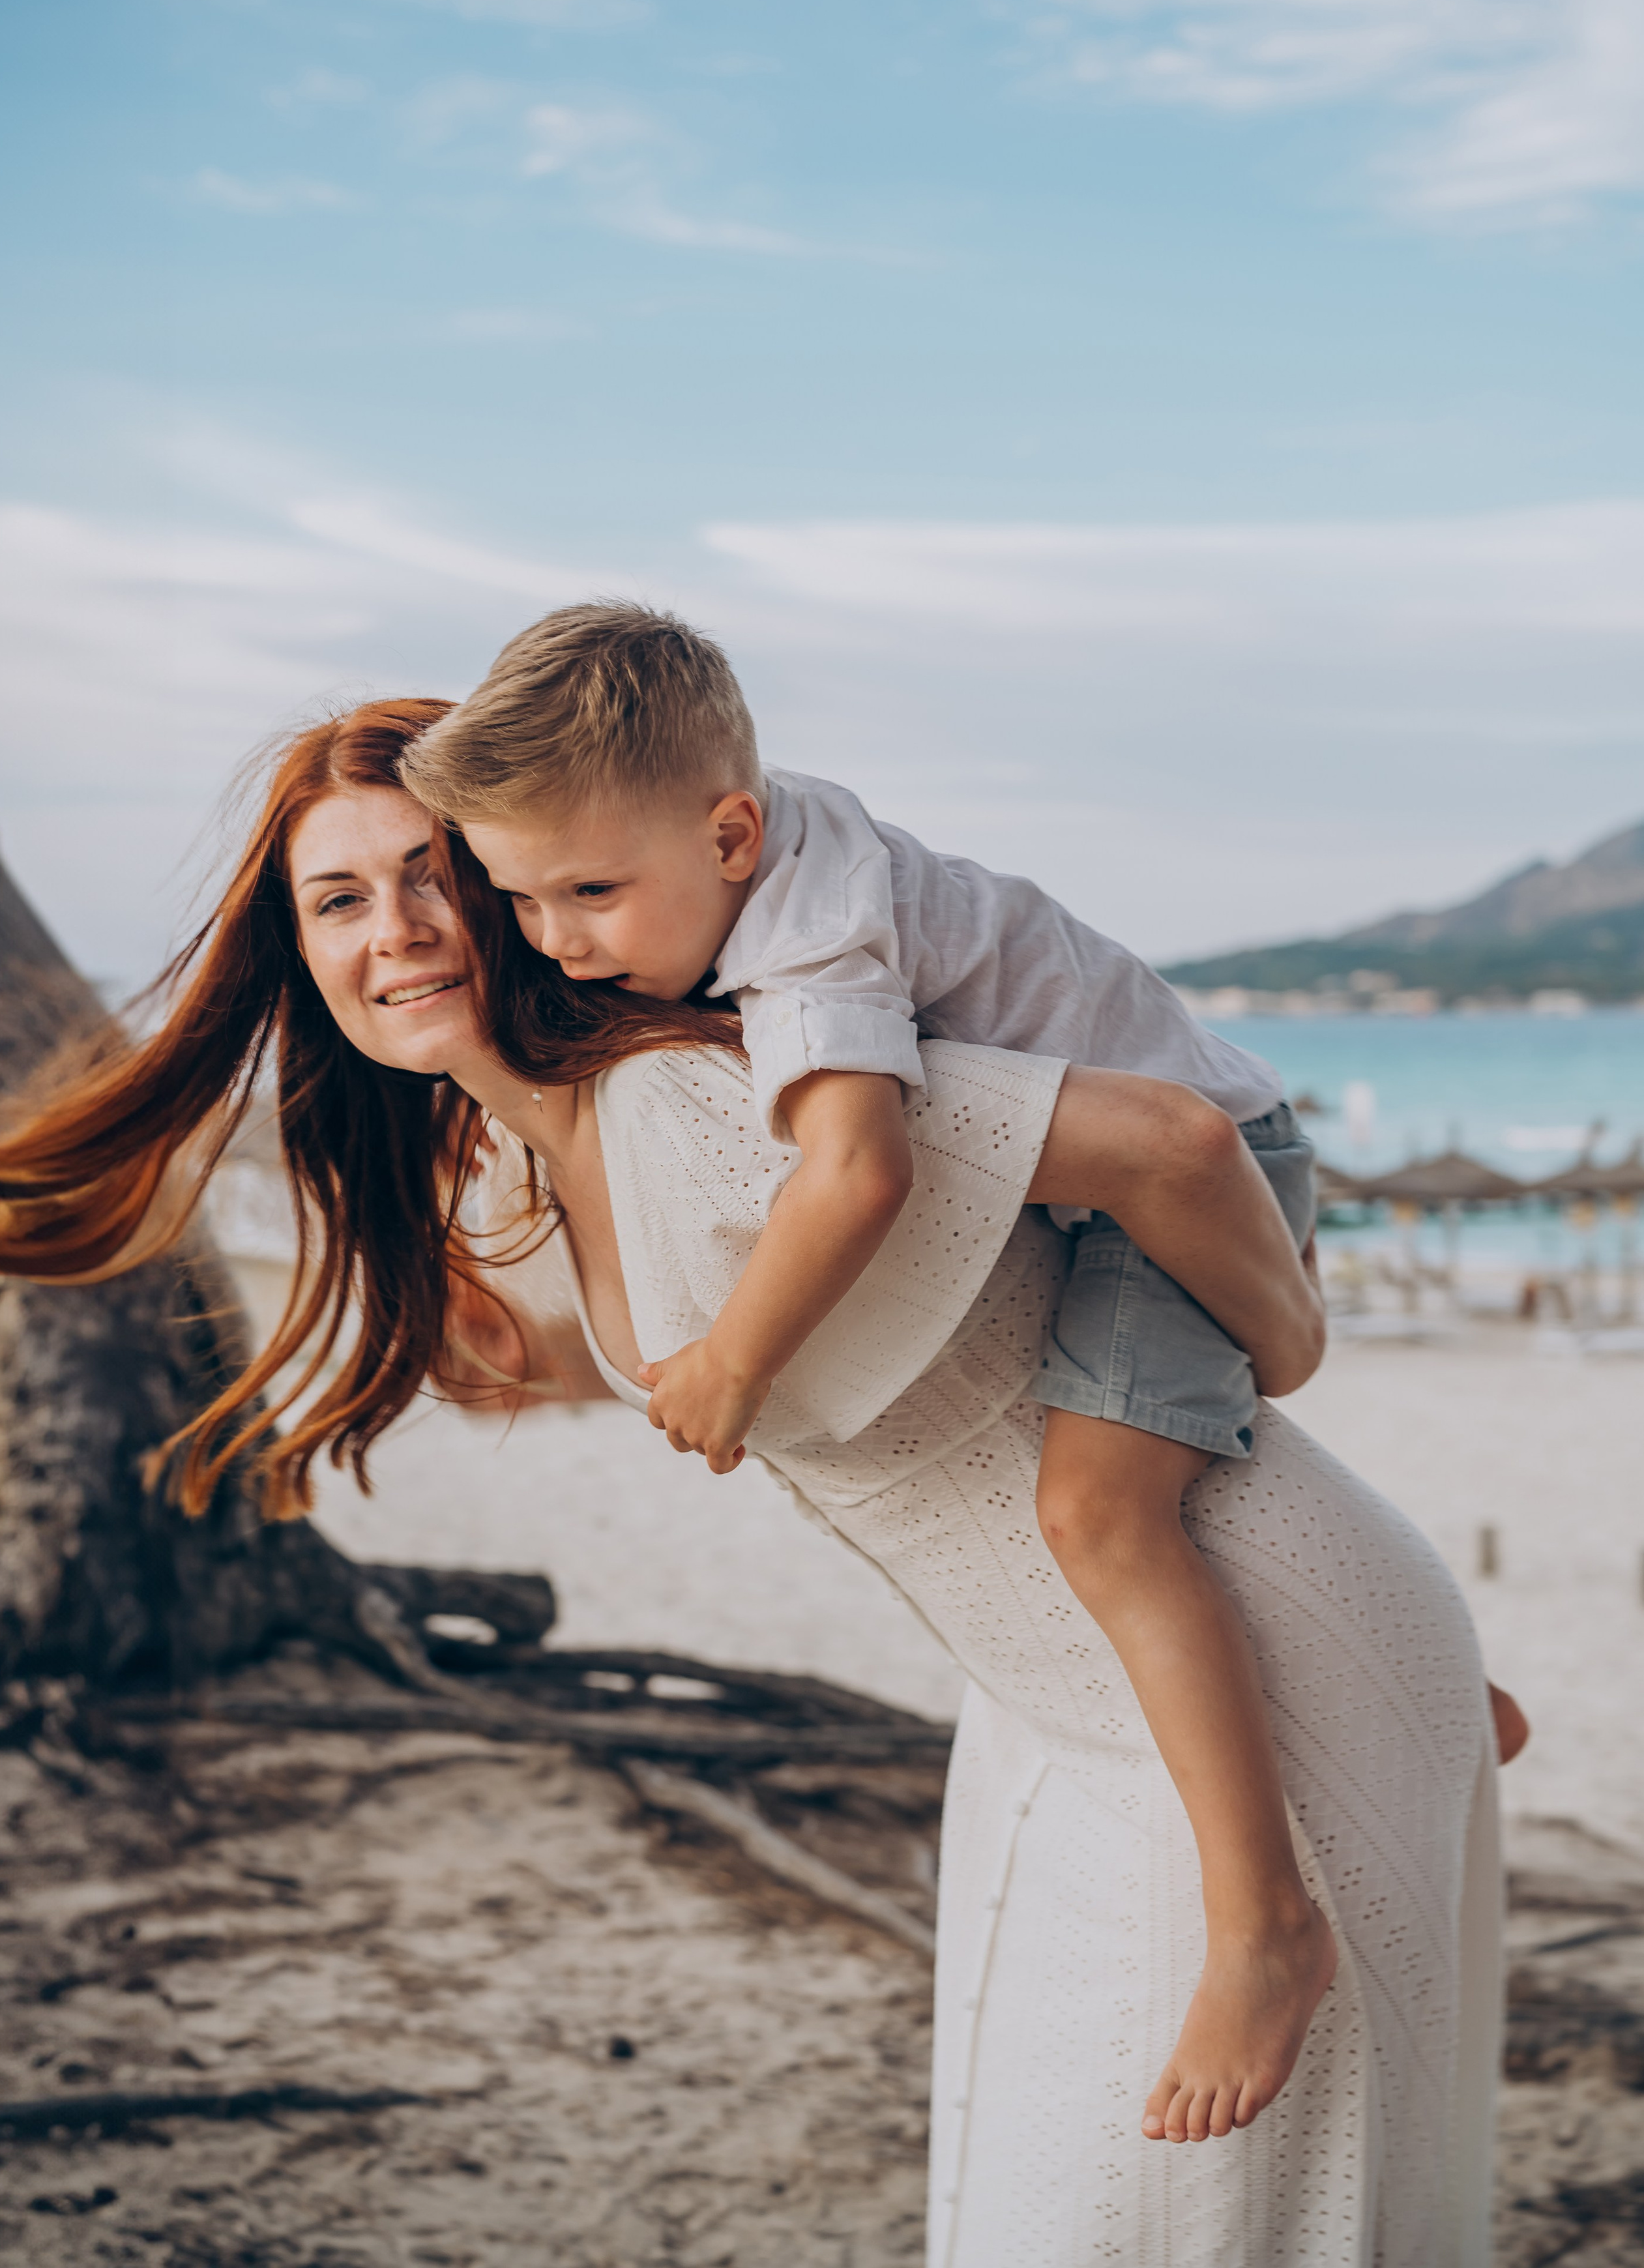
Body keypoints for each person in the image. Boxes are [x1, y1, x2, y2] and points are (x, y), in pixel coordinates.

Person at [0, 701, 1512, 2262]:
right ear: (297, 951)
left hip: (1257, 1685)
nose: (403, 930)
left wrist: (1290, 1339)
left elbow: (1173, 1147)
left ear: (522, 882)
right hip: (1062, 1708)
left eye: (432, 873)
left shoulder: (707, 1096)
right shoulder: (537, 1150)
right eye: (341, 900)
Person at [396, 604, 1333, 2140]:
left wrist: (732, 1364)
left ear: (731, 833)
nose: (558, 940)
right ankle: (1457, 1691)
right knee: (1211, 1504)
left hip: (1199, 1186)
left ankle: (1264, 1933)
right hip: (1127, 1184)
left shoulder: (808, 944)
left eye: (590, 894)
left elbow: (857, 1177)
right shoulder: (744, 851)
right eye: (524, 902)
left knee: (1101, 1517)